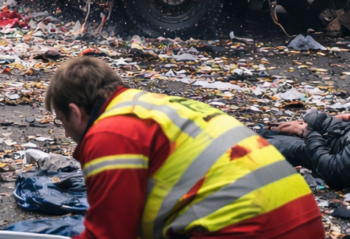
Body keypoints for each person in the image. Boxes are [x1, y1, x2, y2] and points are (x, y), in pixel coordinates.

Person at [45, 57, 324, 239]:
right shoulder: (158, 106)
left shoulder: (111, 131)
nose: (67, 133)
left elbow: (111, 233)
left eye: (62, 121)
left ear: (75, 112)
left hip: (250, 228)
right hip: (304, 220)